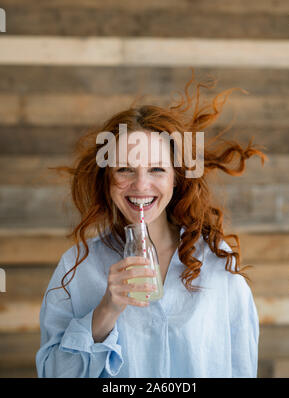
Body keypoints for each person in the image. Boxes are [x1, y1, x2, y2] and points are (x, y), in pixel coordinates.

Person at [35, 79, 267, 378]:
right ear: (107, 179)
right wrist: (106, 310)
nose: (141, 185)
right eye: (125, 169)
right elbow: (51, 374)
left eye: (157, 169)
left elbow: (241, 366)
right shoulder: (77, 267)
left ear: (176, 178)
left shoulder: (217, 262)